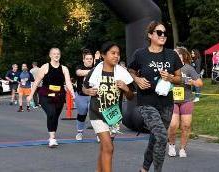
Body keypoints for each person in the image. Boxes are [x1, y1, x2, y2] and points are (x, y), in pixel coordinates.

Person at [128, 21, 182, 172]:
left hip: (166, 102)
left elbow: (179, 79)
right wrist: (137, 80)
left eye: (165, 33)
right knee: (161, 136)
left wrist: (170, 77)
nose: (163, 35)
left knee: (156, 137)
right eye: (159, 32)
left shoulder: (172, 55)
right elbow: (130, 70)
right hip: (147, 102)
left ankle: (144, 169)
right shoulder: (140, 54)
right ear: (150, 35)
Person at [83, 42, 134, 172]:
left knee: (105, 148)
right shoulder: (95, 72)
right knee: (109, 148)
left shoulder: (123, 73)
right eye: (113, 53)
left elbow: (130, 96)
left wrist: (126, 88)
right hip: (97, 114)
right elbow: (83, 87)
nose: (116, 56)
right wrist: (88, 91)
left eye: (118, 53)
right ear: (103, 55)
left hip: (113, 116)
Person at [27, 48, 75, 147]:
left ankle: (53, 135)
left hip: (59, 96)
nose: (56, 55)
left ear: (60, 55)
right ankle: (52, 138)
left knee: (55, 116)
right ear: (50, 55)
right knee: (51, 113)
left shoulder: (64, 68)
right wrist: (31, 95)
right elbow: (36, 82)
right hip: (46, 95)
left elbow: (68, 82)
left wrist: (73, 94)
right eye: (54, 54)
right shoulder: (45, 67)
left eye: (58, 54)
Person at [167, 47, 203, 158]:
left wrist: (188, 81)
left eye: (178, 54)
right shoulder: (169, 68)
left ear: (183, 56)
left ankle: (182, 148)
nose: (176, 56)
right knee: (173, 125)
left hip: (186, 100)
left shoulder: (188, 68)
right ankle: (172, 145)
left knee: (186, 125)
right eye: (174, 54)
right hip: (172, 100)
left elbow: (200, 83)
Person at [74, 49, 94, 141]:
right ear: (83, 60)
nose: (89, 60)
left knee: (95, 114)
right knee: (82, 114)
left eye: (91, 59)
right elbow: (79, 73)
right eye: (87, 59)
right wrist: (93, 71)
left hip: (94, 96)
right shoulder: (80, 66)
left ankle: (99, 134)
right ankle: (79, 132)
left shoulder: (96, 66)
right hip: (81, 95)